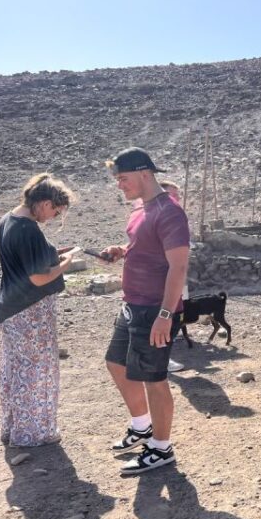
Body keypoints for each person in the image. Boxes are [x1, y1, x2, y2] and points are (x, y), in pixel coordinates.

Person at [102, 147, 190, 475]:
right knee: (116, 363)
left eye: (123, 178)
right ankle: (142, 427)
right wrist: (122, 250)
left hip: (155, 309)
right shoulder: (141, 208)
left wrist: (165, 315)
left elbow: (178, 266)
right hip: (133, 303)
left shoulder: (170, 212)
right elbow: (145, 245)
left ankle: (161, 448)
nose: (119, 185)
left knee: (154, 379)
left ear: (144, 174)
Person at [0, 173, 76, 446]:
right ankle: (33, 433)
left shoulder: (8, 220)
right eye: (55, 210)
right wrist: (66, 263)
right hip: (30, 312)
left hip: (10, 308)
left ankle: (13, 428)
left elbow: (24, 260)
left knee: (15, 369)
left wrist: (52, 254)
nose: (53, 216)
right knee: (36, 371)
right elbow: (39, 277)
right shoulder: (28, 229)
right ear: (44, 202)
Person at [159, 181, 186, 374]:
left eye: (177, 195)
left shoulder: (174, 218)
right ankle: (161, 361)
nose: (177, 199)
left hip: (176, 280)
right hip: (162, 284)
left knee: (176, 317)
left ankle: (162, 359)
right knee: (167, 319)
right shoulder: (163, 219)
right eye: (172, 195)